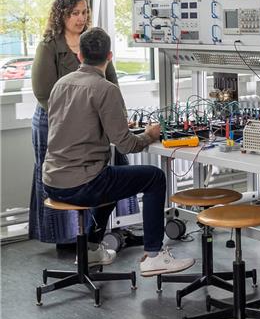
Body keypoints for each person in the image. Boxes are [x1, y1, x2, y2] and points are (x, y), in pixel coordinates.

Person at [43, 27, 194, 276]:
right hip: (83, 185)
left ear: (79, 55)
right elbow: (126, 145)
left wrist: (112, 128)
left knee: (115, 177)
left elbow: (70, 128)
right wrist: (150, 135)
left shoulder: (61, 84)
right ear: (110, 57)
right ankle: (154, 256)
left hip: (52, 182)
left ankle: (92, 249)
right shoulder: (106, 89)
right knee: (154, 177)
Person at [29, 0, 134, 247]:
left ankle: (107, 231)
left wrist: (118, 118)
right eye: (74, 13)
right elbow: (43, 93)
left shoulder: (92, 43)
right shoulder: (49, 46)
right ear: (61, 15)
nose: (81, 18)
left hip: (92, 121)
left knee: (116, 165)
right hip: (54, 122)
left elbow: (112, 84)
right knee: (64, 176)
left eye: (84, 12)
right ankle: (66, 238)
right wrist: (74, 118)